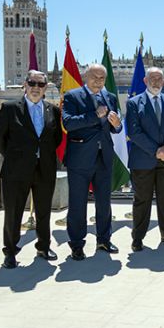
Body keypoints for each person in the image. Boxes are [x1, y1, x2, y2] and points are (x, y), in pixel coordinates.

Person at [0, 70, 62, 268]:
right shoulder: (10, 108)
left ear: (45, 88)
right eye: (32, 83)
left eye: (40, 85)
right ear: (25, 84)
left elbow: (55, 139)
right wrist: (16, 157)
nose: (35, 88)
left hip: (45, 170)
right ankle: (10, 252)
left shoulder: (52, 110)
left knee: (43, 211)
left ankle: (43, 246)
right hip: (16, 171)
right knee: (13, 213)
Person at [62, 63, 123, 260]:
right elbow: (69, 123)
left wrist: (117, 125)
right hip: (80, 158)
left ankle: (104, 239)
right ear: (85, 76)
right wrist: (94, 115)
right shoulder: (72, 96)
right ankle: (77, 245)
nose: (98, 81)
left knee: (104, 203)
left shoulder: (110, 98)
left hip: (104, 157)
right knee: (78, 204)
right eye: (95, 77)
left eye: (102, 78)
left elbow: (114, 129)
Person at [126, 67, 164, 251]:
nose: (156, 81)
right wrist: (155, 151)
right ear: (145, 81)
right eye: (152, 78)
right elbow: (134, 132)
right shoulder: (134, 103)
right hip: (143, 160)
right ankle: (138, 238)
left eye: (159, 78)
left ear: (163, 81)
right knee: (142, 200)